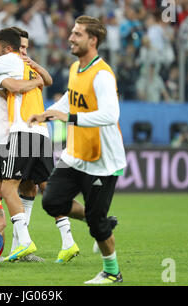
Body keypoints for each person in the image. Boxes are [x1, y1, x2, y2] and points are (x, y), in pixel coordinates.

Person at [28, 16, 127, 284]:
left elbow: (110, 114)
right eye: (71, 32)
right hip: (76, 153)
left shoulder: (103, 74)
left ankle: (112, 272)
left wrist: (69, 118)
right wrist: (48, 114)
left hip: (102, 159)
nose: (71, 37)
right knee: (51, 201)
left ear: (92, 40)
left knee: (97, 222)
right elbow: (71, 103)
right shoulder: (75, 69)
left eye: (77, 34)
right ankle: (102, 223)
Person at [0, 27, 49, 262]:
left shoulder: (21, 65)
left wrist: (36, 78)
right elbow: (9, 90)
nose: (23, 52)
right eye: (20, 47)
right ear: (10, 48)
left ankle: (19, 247)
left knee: (27, 188)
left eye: (26, 48)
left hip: (16, 134)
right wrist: (34, 82)